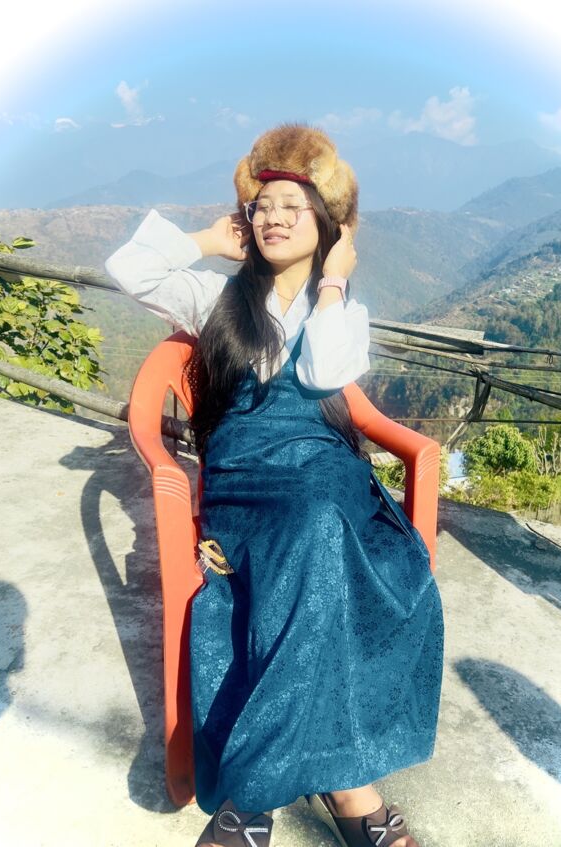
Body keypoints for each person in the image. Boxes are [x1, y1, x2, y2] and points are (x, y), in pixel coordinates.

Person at [104, 122, 444, 847]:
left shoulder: (342, 312)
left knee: (319, 527)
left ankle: (249, 800)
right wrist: (206, 239)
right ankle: (352, 795)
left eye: (295, 205)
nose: (275, 218)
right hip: (245, 488)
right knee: (313, 545)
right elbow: (129, 268)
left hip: (326, 481)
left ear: (327, 223)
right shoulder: (215, 299)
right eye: (262, 206)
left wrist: (333, 281)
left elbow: (325, 373)